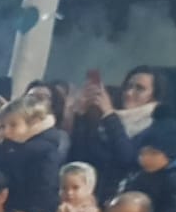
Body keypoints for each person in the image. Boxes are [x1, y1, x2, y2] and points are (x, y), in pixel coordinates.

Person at [70, 66, 168, 199]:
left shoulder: (158, 127)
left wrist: (110, 115)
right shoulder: (110, 122)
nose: (129, 93)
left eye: (139, 89)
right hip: (94, 199)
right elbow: (81, 158)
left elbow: (127, 159)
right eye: (128, 87)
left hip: (126, 203)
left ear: (154, 96)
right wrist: (81, 115)